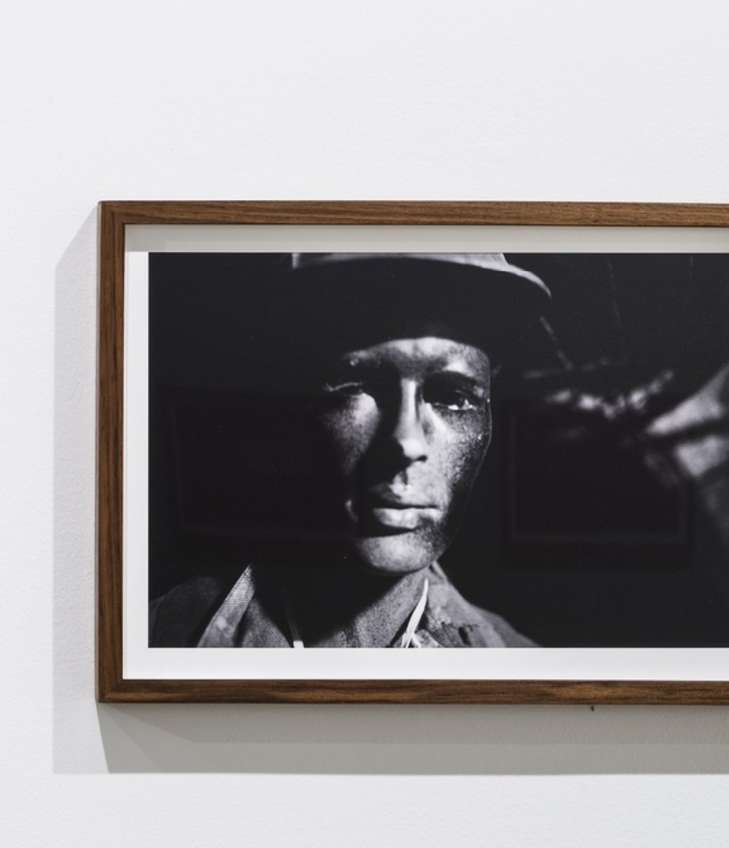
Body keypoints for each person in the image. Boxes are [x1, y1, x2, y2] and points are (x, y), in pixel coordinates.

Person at [151, 252, 547, 649]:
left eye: (453, 397)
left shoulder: (524, 675)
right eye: (355, 386)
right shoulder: (152, 641)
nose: (406, 442)